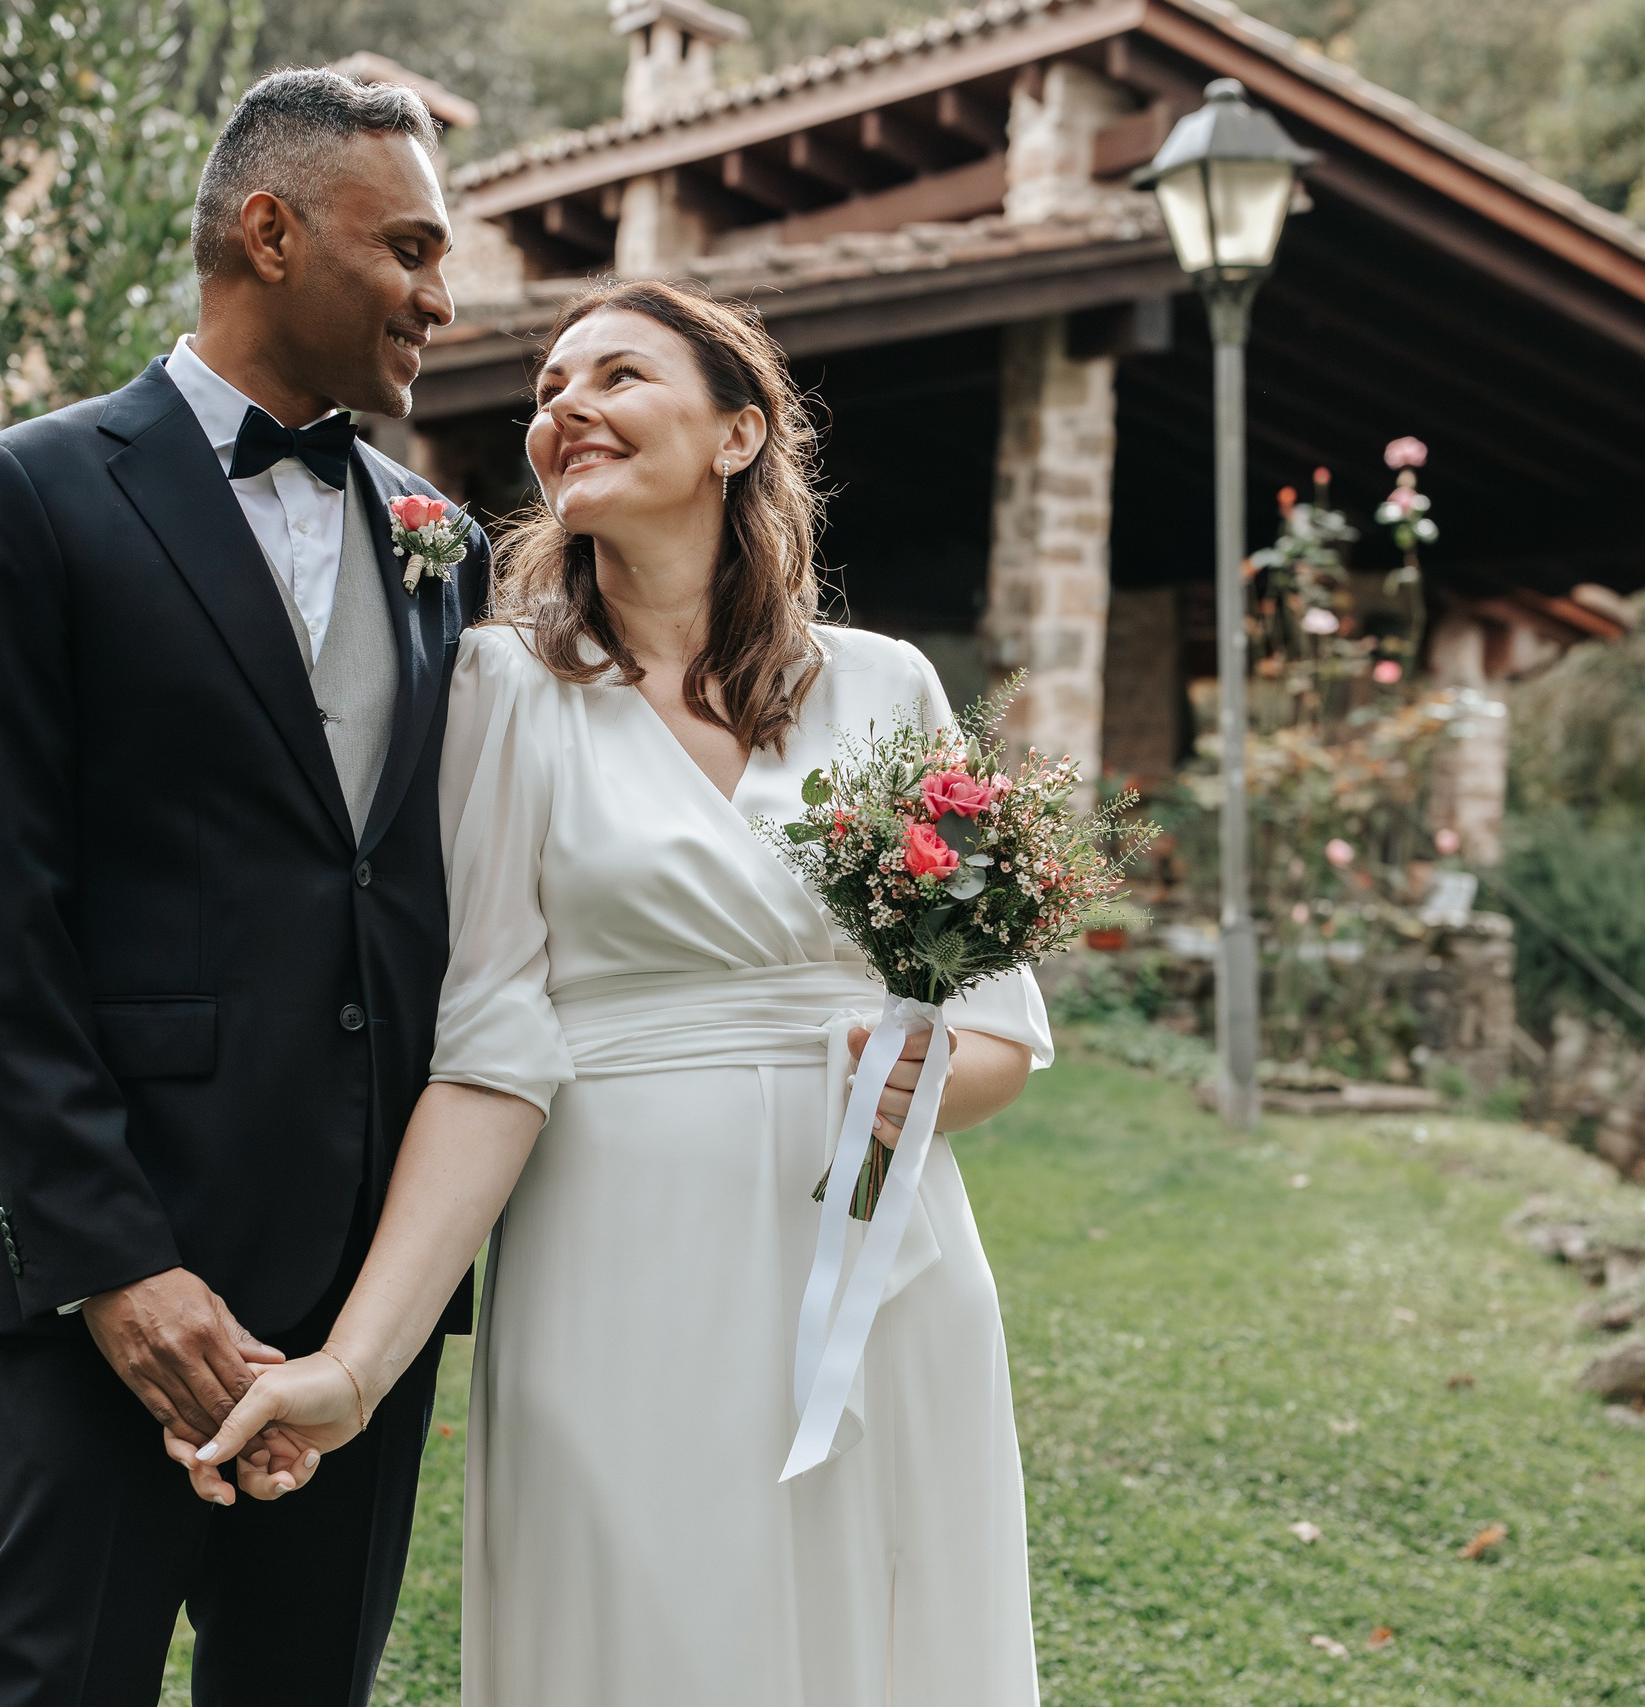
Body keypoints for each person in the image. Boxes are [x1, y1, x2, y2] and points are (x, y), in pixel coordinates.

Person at [179, 279, 1053, 1705]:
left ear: (736, 435)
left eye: (618, 375)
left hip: (875, 1267)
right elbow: (489, 1051)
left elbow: (998, 1027)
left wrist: (922, 1081)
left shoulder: (887, 688)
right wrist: (355, 1366)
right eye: (545, 390)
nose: (563, 407)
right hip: (617, 1256)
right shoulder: (503, 689)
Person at [0, 69, 486, 1707]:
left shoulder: (446, 538)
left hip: (363, 1292)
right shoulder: (26, 493)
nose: (444, 299)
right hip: (124, 1265)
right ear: (272, 230)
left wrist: (391, 1303)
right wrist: (113, 1264)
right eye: (414, 250)